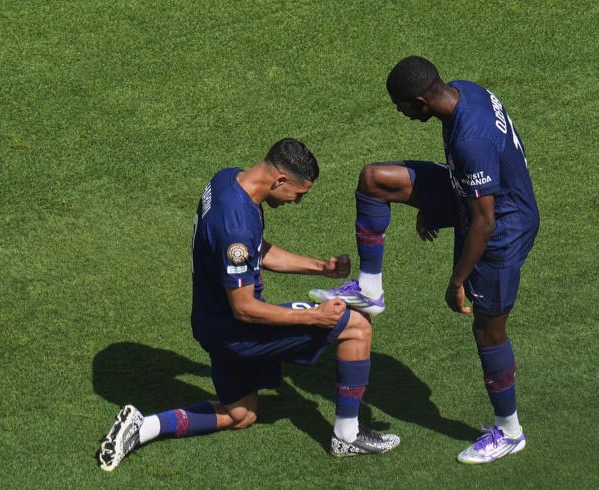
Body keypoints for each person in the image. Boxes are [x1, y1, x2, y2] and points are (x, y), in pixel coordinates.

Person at [98, 138, 400, 471]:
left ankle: (142, 427)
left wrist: (320, 267)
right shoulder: (236, 226)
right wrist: (316, 316)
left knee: (240, 413)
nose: (298, 202)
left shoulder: (227, 180)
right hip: (236, 330)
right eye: (298, 194)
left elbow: (256, 250)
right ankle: (347, 435)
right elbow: (245, 308)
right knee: (356, 325)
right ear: (280, 180)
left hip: (210, 321)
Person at [309, 56, 539, 464]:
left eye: (401, 106)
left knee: (488, 330)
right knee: (375, 180)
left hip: (503, 226)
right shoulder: (464, 91)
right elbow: (469, 175)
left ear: (420, 102)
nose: (400, 113)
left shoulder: (470, 138)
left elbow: (484, 221)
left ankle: (509, 431)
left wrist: (457, 280)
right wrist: (435, 205)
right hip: (477, 197)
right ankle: (370, 288)